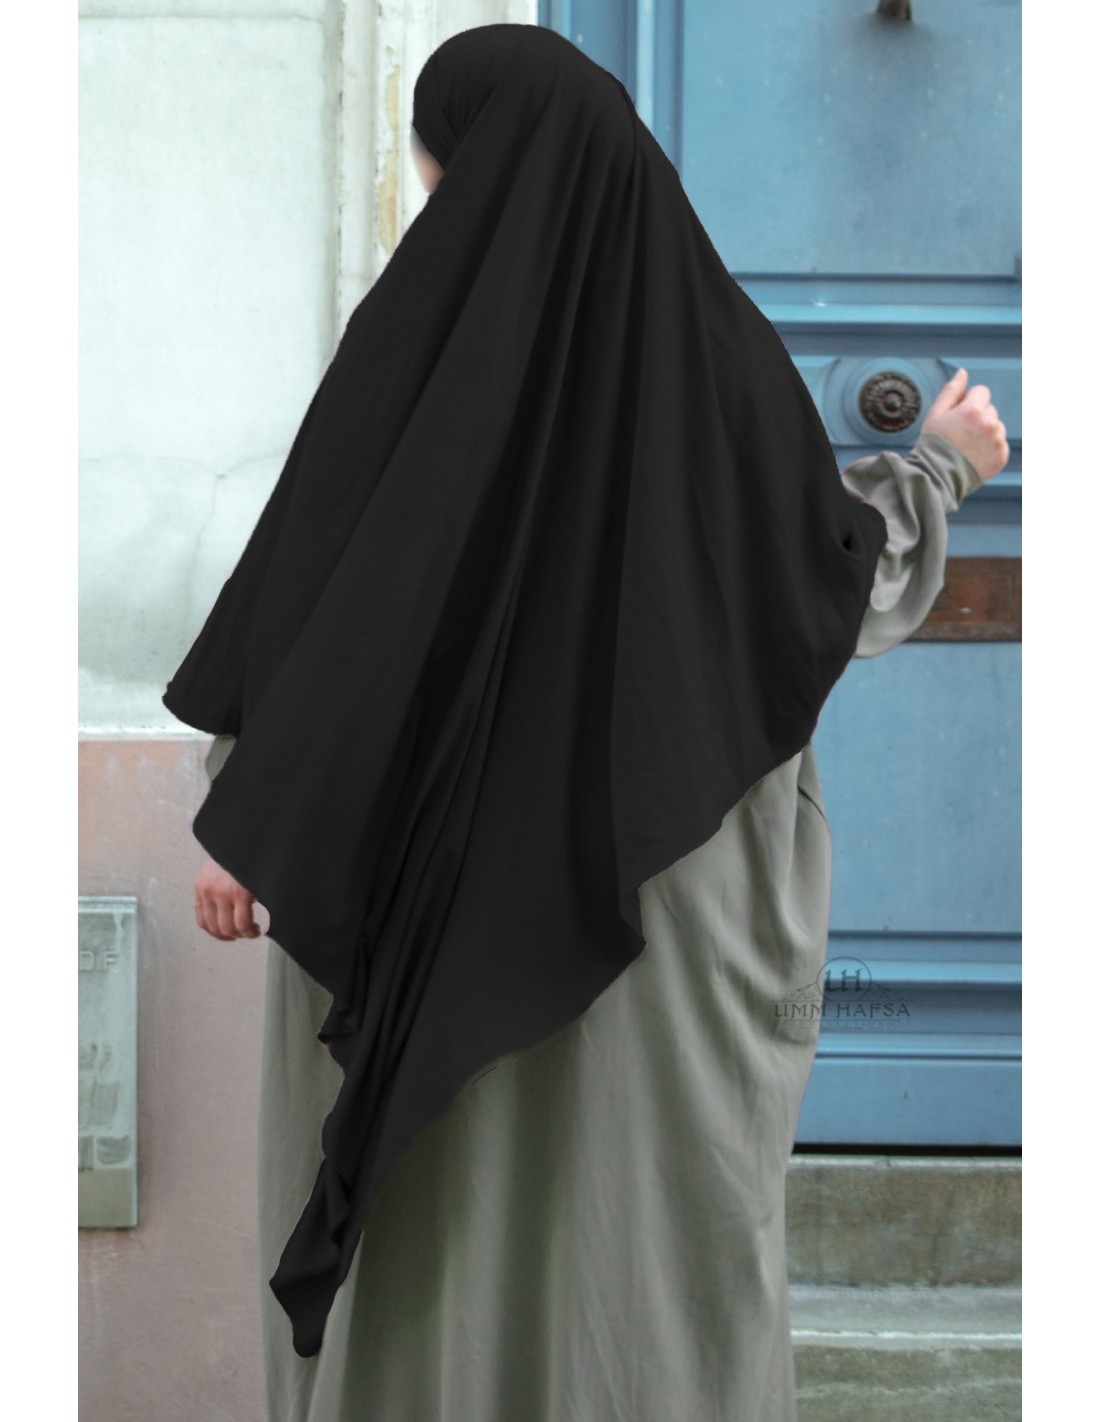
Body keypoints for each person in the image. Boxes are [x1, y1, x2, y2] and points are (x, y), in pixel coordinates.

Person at [180, 23, 1008, 1422]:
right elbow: (818, 577)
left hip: (425, 892)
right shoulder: (715, 369)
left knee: (443, 1236)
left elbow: (317, 605)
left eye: (441, 175)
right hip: (658, 894)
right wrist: (937, 469)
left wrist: (249, 805)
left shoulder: (412, 361)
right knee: (633, 1245)